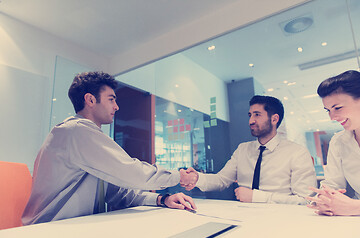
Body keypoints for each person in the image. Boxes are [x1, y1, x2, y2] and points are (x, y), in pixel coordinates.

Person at [22, 71, 196, 225]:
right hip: (47, 231)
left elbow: (117, 194)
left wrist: (161, 199)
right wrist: (177, 176)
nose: (116, 106)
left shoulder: (85, 137)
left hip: (76, 228)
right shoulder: (76, 131)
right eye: (111, 99)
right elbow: (131, 172)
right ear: (90, 99)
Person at [183, 95, 317, 205]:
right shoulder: (242, 149)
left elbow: (305, 201)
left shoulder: (297, 153)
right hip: (243, 216)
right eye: (250, 115)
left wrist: (257, 197)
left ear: (274, 119)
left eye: (257, 115)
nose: (251, 121)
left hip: (280, 221)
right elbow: (221, 180)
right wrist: (196, 178)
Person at [307, 70, 360, 216]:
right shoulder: (338, 142)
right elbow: (333, 184)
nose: (332, 117)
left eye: (337, 108)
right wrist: (322, 199)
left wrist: (355, 207)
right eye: (328, 110)